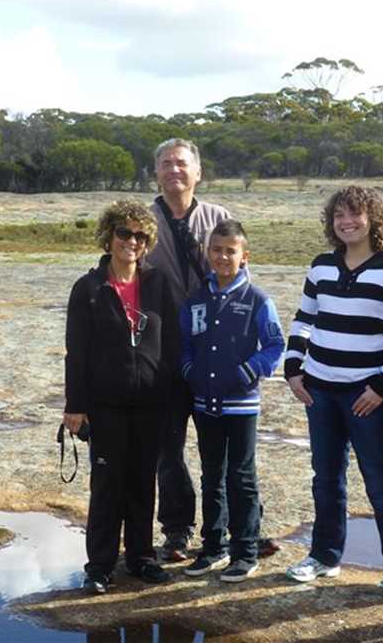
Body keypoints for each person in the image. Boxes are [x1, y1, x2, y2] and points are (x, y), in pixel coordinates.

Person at [146, 138, 281, 561]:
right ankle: (178, 529)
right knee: (169, 447)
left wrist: (247, 363)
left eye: (182, 164)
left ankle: (246, 530)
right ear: (157, 173)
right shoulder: (146, 220)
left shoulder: (218, 218)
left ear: (198, 172)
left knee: (229, 460)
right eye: (166, 164)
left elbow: (242, 280)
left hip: (219, 357)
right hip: (167, 351)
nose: (174, 171)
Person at [284, 185, 383, 600]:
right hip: (319, 390)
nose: (347, 222)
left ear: (373, 219)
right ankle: (324, 556)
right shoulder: (321, 265)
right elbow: (304, 318)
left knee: (380, 481)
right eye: (340, 215)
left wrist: (381, 385)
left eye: (356, 214)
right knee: (326, 478)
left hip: (366, 396)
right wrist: (293, 367)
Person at [64, 200, 179, 594]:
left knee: (143, 482)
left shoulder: (159, 284)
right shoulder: (89, 288)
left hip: (151, 403)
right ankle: (99, 564)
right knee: (107, 484)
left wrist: (172, 392)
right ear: (109, 236)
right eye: (124, 233)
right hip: (105, 406)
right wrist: (74, 407)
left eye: (140, 236)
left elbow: (173, 344)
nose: (132, 241)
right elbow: (76, 351)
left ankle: (142, 557)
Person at [179, 220, 285, 582]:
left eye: (230, 251)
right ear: (208, 253)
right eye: (217, 250)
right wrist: (189, 369)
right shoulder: (196, 298)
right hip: (204, 403)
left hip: (241, 404)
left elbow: (275, 346)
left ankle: (246, 550)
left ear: (244, 256)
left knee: (241, 476)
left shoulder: (257, 299)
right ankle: (213, 548)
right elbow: (184, 344)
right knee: (212, 476)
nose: (223, 257)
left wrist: (248, 372)